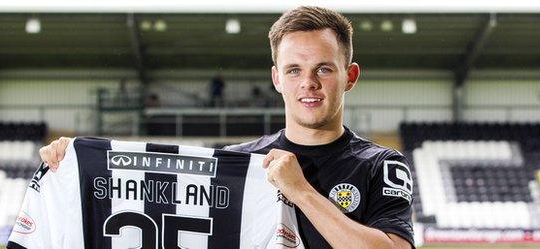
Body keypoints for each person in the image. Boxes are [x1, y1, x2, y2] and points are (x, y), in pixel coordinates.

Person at [40, 6, 414, 249]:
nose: (309, 83)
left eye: (324, 68)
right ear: (276, 79)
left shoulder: (380, 165)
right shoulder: (237, 164)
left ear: (349, 76)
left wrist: (300, 191)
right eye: (294, 70)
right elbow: (147, 197)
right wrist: (76, 165)